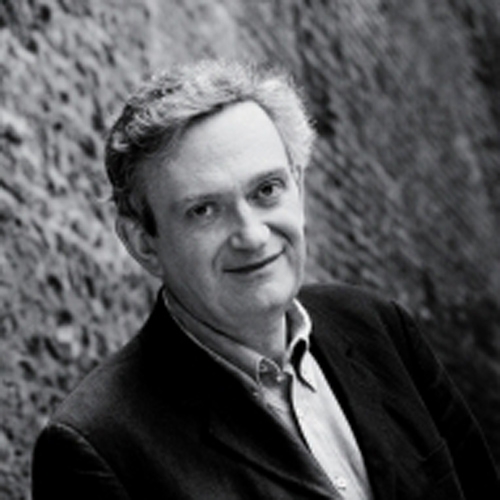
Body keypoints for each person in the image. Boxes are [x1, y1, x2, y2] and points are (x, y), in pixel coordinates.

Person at [32, 59, 499, 500]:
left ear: (298, 187)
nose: (253, 236)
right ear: (144, 243)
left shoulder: (380, 328)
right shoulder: (96, 449)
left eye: (267, 190)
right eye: (204, 210)